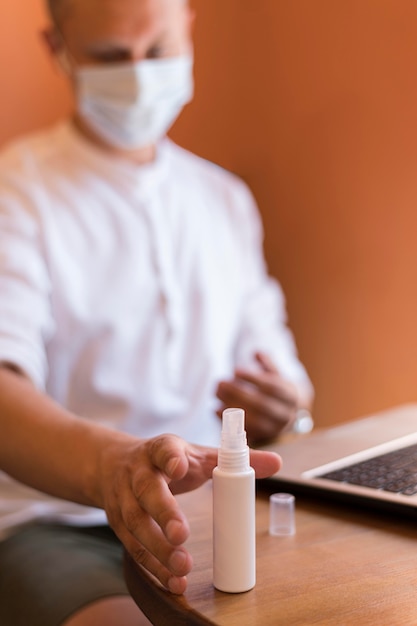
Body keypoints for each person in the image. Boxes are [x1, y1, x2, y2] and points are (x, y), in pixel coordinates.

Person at [0, 0, 313, 624]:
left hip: (208, 510)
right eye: (112, 58)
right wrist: (109, 467)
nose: (140, 76)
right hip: (59, 523)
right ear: (57, 48)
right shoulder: (17, 195)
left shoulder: (222, 199)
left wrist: (288, 405)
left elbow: (279, 364)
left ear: (189, 33)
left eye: (159, 52)